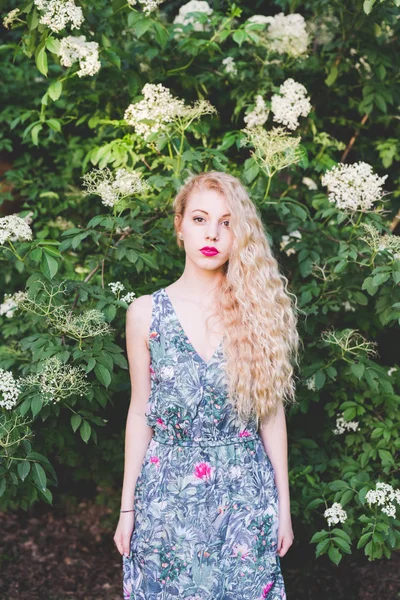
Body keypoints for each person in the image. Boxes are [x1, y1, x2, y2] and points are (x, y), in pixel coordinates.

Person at [114, 171, 299, 600]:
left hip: (244, 499)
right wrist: (127, 510)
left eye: (227, 222)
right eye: (199, 219)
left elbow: (271, 416)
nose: (212, 233)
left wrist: (283, 510)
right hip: (166, 500)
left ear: (240, 234)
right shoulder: (145, 314)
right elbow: (141, 412)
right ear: (179, 226)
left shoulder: (258, 313)